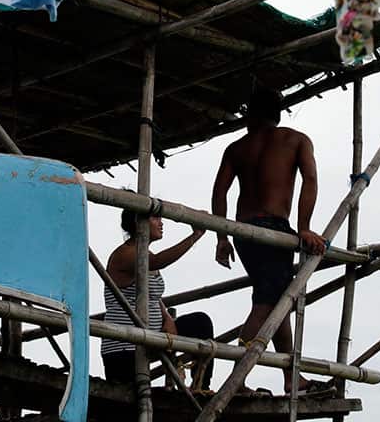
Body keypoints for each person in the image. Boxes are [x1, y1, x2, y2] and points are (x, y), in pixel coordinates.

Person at [211, 85, 328, 394]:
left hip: (244, 231)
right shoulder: (296, 140)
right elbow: (311, 180)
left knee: (276, 299)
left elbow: (219, 192)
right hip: (275, 230)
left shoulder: (236, 148)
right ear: (276, 113)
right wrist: (304, 227)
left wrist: (222, 237)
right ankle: (238, 379)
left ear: (250, 114)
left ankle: (292, 377)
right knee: (267, 302)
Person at [102, 209, 215, 390]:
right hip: (125, 347)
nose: (161, 223)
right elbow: (158, 261)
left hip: (152, 339)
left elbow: (153, 295)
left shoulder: (146, 254)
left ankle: (200, 387)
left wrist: (167, 318)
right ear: (138, 222)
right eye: (156, 218)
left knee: (200, 323)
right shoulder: (126, 254)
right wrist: (195, 235)